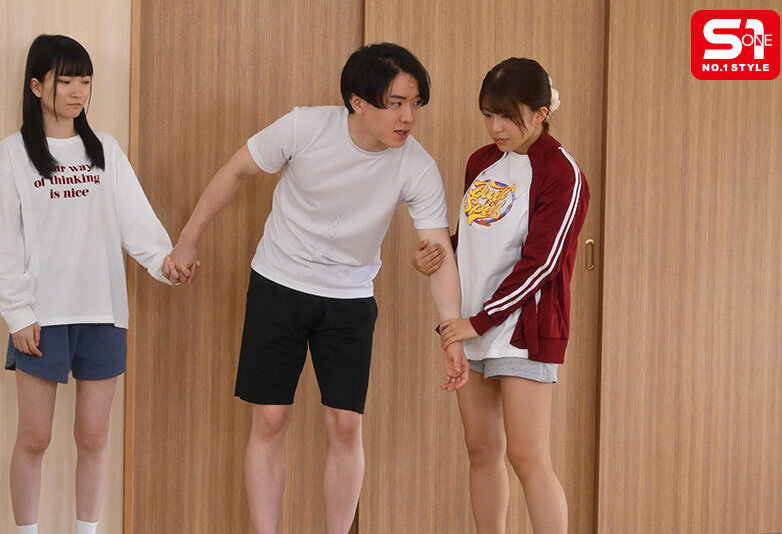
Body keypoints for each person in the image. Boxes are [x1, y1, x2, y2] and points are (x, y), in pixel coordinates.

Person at [164, 43, 468, 534]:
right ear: (358, 102)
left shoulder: (417, 165)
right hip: (279, 284)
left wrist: (451, 331)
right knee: (270, 418)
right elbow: (236, 170)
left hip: (350, 299)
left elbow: (438, 254)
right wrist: (187, 240)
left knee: (346, 425)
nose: (408, 117)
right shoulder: (305, 127)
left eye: (415, 103)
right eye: (395, 103)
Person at [0, 35, 189, 534]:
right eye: (65, 81)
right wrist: (17, 313)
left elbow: (136, 223)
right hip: (42, 317)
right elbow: (4, 242)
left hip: (103, 312)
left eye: (84, 81)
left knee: (93, 437)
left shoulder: (104, 148)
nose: (77, 91)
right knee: (34, 438)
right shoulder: (13, 153)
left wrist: (165, 263)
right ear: (37, 86)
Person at [413, 58, 589, 534]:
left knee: (528, 456)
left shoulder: (562, 172)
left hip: (522, 331)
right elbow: (474, 239)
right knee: (481, 450)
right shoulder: (481, 162)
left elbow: (543, 262)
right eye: (488, 114)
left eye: (508, 116)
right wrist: (438, 256)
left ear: (540, 113)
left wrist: (480, 320)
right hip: (473, 324)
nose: (496, 127)